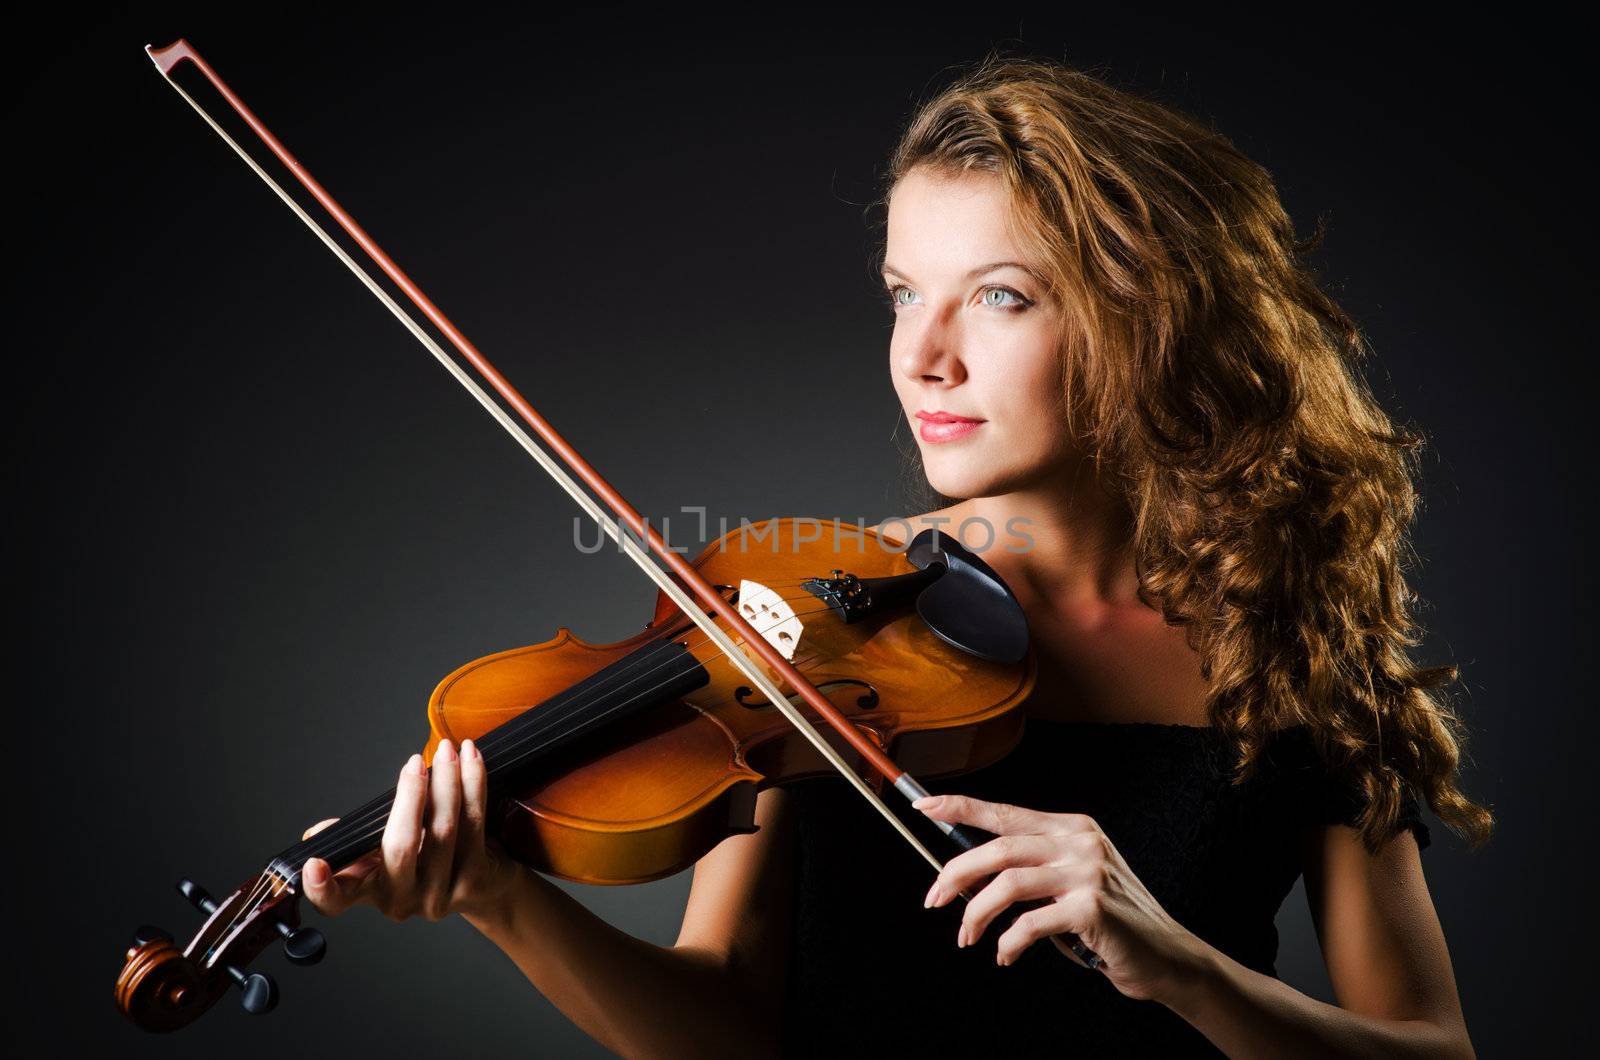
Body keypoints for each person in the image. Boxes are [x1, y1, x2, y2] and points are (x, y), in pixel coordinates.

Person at [298, 54, 1491, 1057]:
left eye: (1001, 298)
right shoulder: (800, 620)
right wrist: (502, 896)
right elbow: (722, 1024)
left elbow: (1434, 1048)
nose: (923, 353)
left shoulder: (1287, 644)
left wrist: (1182, 968)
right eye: (903, 292)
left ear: (1150, 317)